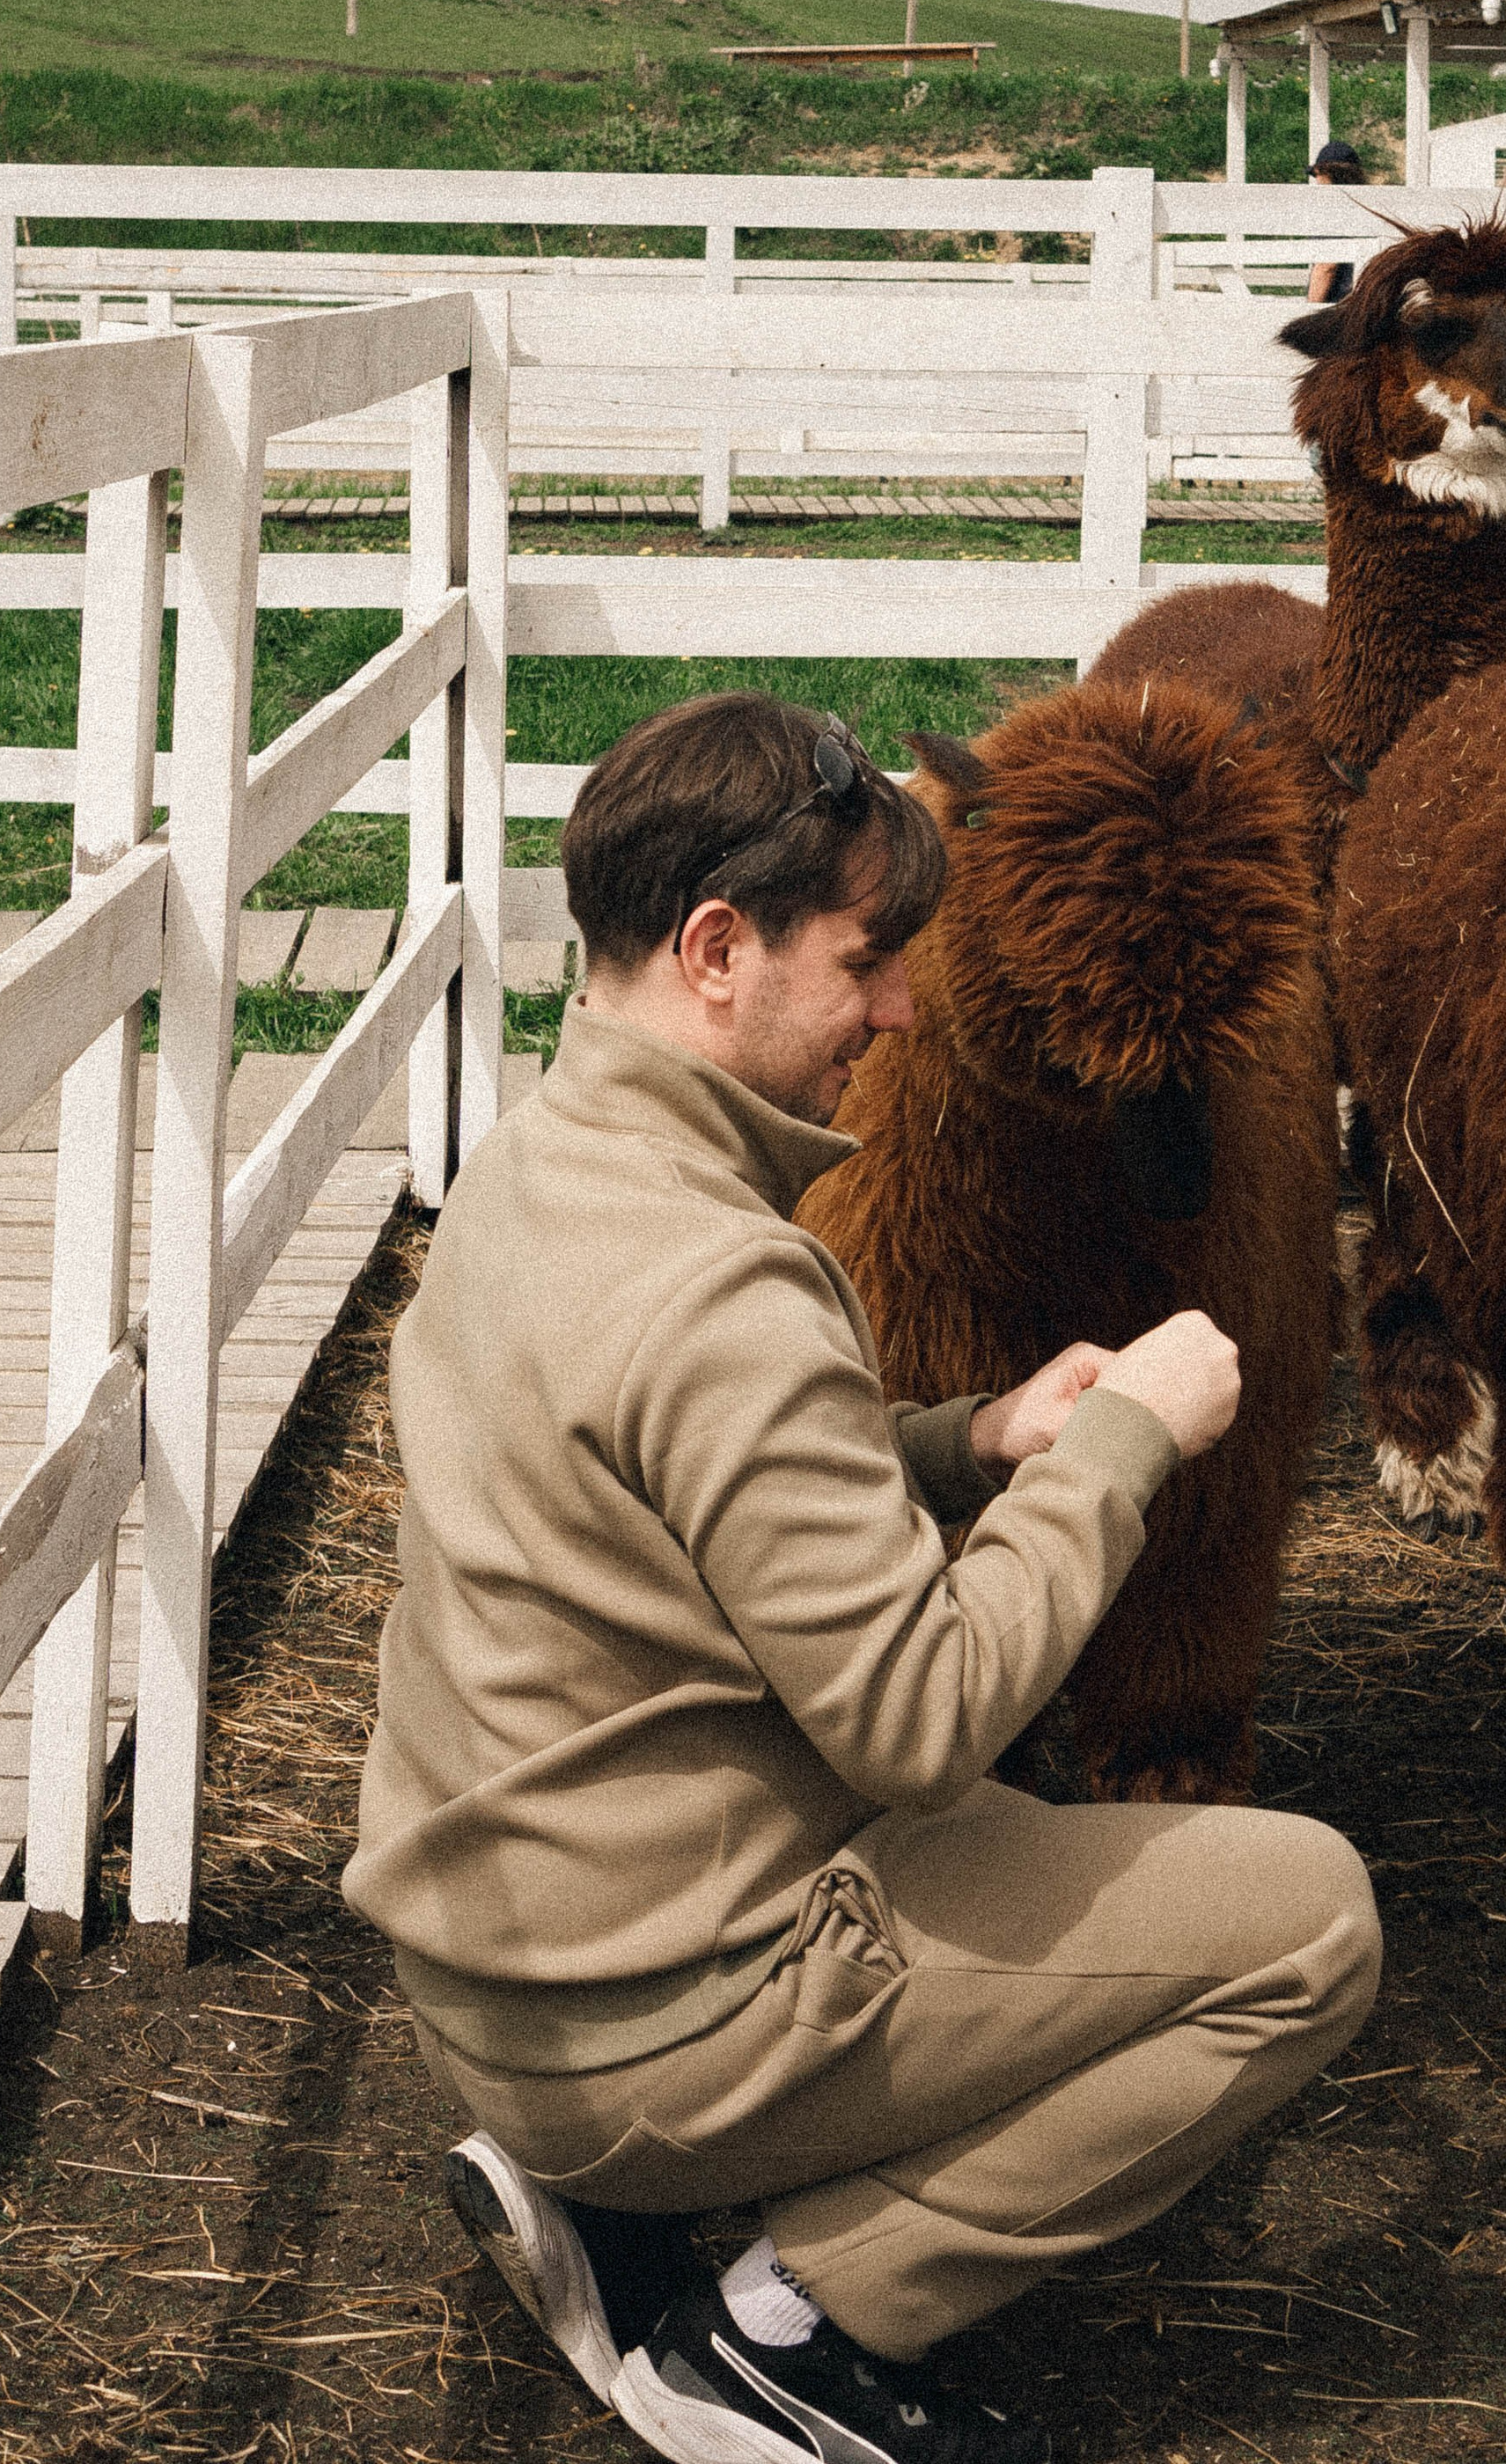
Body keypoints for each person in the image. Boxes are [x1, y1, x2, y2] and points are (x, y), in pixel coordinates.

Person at [346, 693, 1381, 2464]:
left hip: (500, 1974)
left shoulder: (531, 1175)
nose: (902, 1005)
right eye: (863, 959)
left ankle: (605, 2208)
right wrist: (1128, 1440)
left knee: (988, 1830)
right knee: (1303, 1922)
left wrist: (964, 1448)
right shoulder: (726, 1285)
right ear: (718, 948)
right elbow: (915, 1718)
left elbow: (667, 1492)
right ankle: (783, 2330)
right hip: (659, 2026)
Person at [1306, 137, 1363, 301]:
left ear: (1326, 173)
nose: (1315, 180)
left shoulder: (1334, 210)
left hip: (1335, 306)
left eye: (1315, 174)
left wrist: (1309, 309)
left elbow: (1326, 267)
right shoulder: (1363, 207)